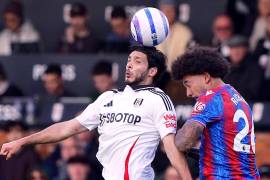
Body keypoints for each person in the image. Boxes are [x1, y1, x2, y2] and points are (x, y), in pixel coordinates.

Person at [0, 45, 192, 180]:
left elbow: (172, 149)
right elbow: (66, 128)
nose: (129, 64)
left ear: (152, 71)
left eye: (137, 61)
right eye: (129, 60)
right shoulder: (108, 97)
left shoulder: (158, 99)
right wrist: (22, 141)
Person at [172, 46, 260, 179]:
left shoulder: (210, 98)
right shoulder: (237, 97)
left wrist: (169, 135)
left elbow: (183, 142)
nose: (188, 93)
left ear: (206, 77)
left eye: (188, 84)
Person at [224, 35, 264, 101]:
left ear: (246, 49)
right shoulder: (225, 68)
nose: (235, 52)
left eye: (239, 48)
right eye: (232, 48)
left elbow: (252, 94)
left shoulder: (255, 69)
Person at [156, 0, 193, 73]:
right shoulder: (150, 31)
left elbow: (187, 57)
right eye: (164, 10)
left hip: (177, 76)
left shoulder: (185, 32)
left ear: (175, 12)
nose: (167, 13)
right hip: (155, 76)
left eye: (170, 10)